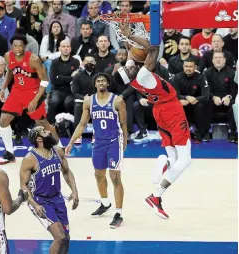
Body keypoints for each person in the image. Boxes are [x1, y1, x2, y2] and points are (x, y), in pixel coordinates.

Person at [113, 25, 191, 220]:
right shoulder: (143, 75)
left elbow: (132, 54)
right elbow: (153, 49)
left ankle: (163, 172)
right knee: (186, 160)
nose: (129, 64)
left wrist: (126, 39)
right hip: (172, 111)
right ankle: (155, 196)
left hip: (160, 113)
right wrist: (131, 34)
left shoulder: (134, 77)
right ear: (130, 74)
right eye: (127, 68)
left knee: (174, 160)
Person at [65, 72, 127, 229]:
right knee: (99, 174)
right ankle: (105, 203)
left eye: (103, 80)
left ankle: (118, 213)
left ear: (108, 83)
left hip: (114, 141)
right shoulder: (89, 101)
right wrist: (71, 142)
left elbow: (124, 124)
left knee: (114, 176)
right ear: (95, 84)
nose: (100, 83)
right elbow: (82, 124)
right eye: (98, 81)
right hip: (98, 141)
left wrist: (124, 142)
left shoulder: (117, 100)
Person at [0, 34, 60, 165]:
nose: (18, 48)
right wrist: (3, 88)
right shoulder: (8, 56)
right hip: (16, 92)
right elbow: (10, 71)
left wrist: (35, 100)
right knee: (3, 120)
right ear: (11, 46)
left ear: (25, 46)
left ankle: (59, 147)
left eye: (20, 46)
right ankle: (9, 153)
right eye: (15, 46)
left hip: (33, 93)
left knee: (42, 124)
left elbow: (45, 80)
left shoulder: (33, 59)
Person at [20, 126, 79, 254]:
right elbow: (24, 186)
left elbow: (67, 171)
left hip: (57, 197)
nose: (49, 131)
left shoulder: (58, 151)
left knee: (66, 237)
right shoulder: (30, 159)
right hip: (40, 200)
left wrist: (74, 191)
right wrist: (35, 205)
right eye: (44, 131)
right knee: (59, 237)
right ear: (39, 139)